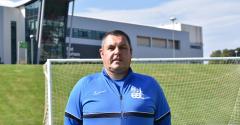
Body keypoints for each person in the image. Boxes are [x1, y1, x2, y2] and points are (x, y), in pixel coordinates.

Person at [64, 30, 171, 125]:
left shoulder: (150, 85)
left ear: (131, 52)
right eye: (111, 48)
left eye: (122, 47)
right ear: (102, 53)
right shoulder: (84, 86)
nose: (117, 52)